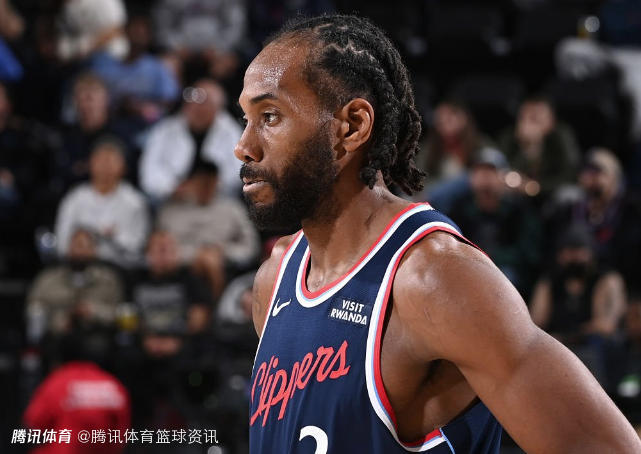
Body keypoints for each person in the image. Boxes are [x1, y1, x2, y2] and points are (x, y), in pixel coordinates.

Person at [234, 14, 641, 453]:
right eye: (245, 119)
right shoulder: (274, 280)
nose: (243, 147)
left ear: (351, 127)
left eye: (269, 116)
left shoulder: (435, 279)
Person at [530, 224, 626, 389]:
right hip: (557, 347)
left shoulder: (606, 279)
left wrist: (568, 337)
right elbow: (536, 322)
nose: (573, 258)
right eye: (568, 252)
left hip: (591, 346)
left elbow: (606, 326)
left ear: (590, 253)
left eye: (578, 251)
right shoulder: (549, 282)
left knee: (596, 347)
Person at [157, 161, 260, 297]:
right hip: (180, 272)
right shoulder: (171, 211)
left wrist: (223, 252)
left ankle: (216, 302)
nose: (205, 188)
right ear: (190, 182)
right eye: (201, 182)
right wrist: (198, 255)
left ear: (218, 182)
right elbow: (158, 249)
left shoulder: (232, 209)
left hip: (227, 268)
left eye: (210, 182)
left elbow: (251, 247)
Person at [139, 78, 243, 201]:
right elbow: (149, 173)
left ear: (217, 108)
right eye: (191, 100)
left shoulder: (230, 131)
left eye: (203, 102)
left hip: (218, 199)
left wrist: (205, 188)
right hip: (172, 199)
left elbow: (238, 172)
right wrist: (173, 188)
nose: (195, 106)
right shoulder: (165, 130)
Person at [54, 137, 150, 268]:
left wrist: (113, 236)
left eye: (111, 159)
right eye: (100, 159)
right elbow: (62, 242)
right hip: (78, 266)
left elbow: (137, 248)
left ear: (123, 166)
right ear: (90, 164)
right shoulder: (75, 198)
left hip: (119, 269)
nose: (105, 165)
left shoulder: (134, 202)